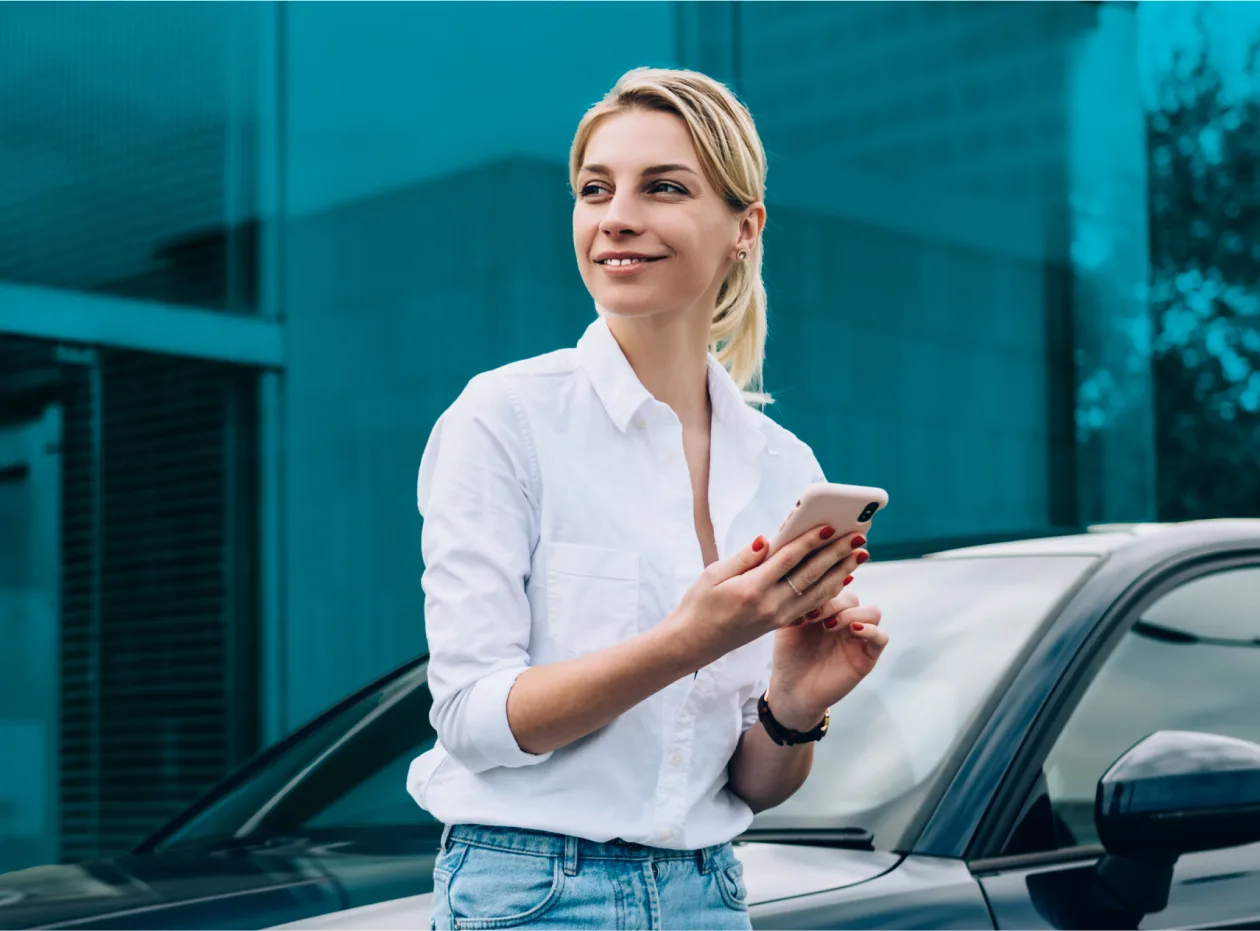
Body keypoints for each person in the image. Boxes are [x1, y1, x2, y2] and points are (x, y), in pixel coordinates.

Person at [408, 66, 889, 931]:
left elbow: (753, 784)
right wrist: (686, 640)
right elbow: (473, 719)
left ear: (745, 228)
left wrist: (795, 705)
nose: (615, 216)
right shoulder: (505, 418)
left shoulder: (784, 467)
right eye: (595, 189)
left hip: (710, 892)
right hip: (530, 894)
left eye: (663, 187)